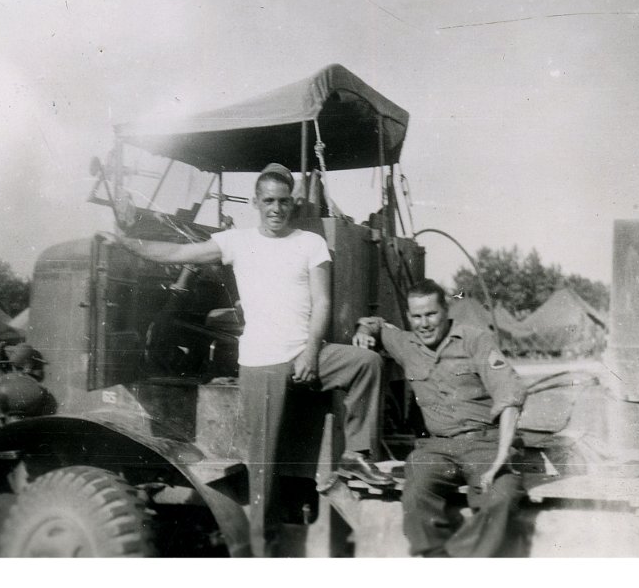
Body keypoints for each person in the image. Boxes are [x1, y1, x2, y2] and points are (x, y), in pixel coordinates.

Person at [100, 162, 393, 556]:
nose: (276, 209)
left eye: (284, 201)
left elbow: (323, 301)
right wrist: (127, 243)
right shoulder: (236, 241)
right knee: (263, 471)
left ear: (293, 204)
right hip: (262, 363)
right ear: (255, 203)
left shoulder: (311, 243)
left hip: (307, 353)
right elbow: (178, 251)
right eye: (269, 201)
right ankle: (261, 554)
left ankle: (357, 455)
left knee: (367, 364)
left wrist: (311, 351)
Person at [353, 278, 527, 558]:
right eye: (417, 317)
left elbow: (510, 397)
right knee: (415, 495)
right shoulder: (407, 343)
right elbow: (378, 325)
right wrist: (364, 329)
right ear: (409, 317)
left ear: (446, 311)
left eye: (431, 314)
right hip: (437, 449)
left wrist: (500, 459)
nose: (424, 324)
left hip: (486, 443)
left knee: (501, 497)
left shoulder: (474, 340)